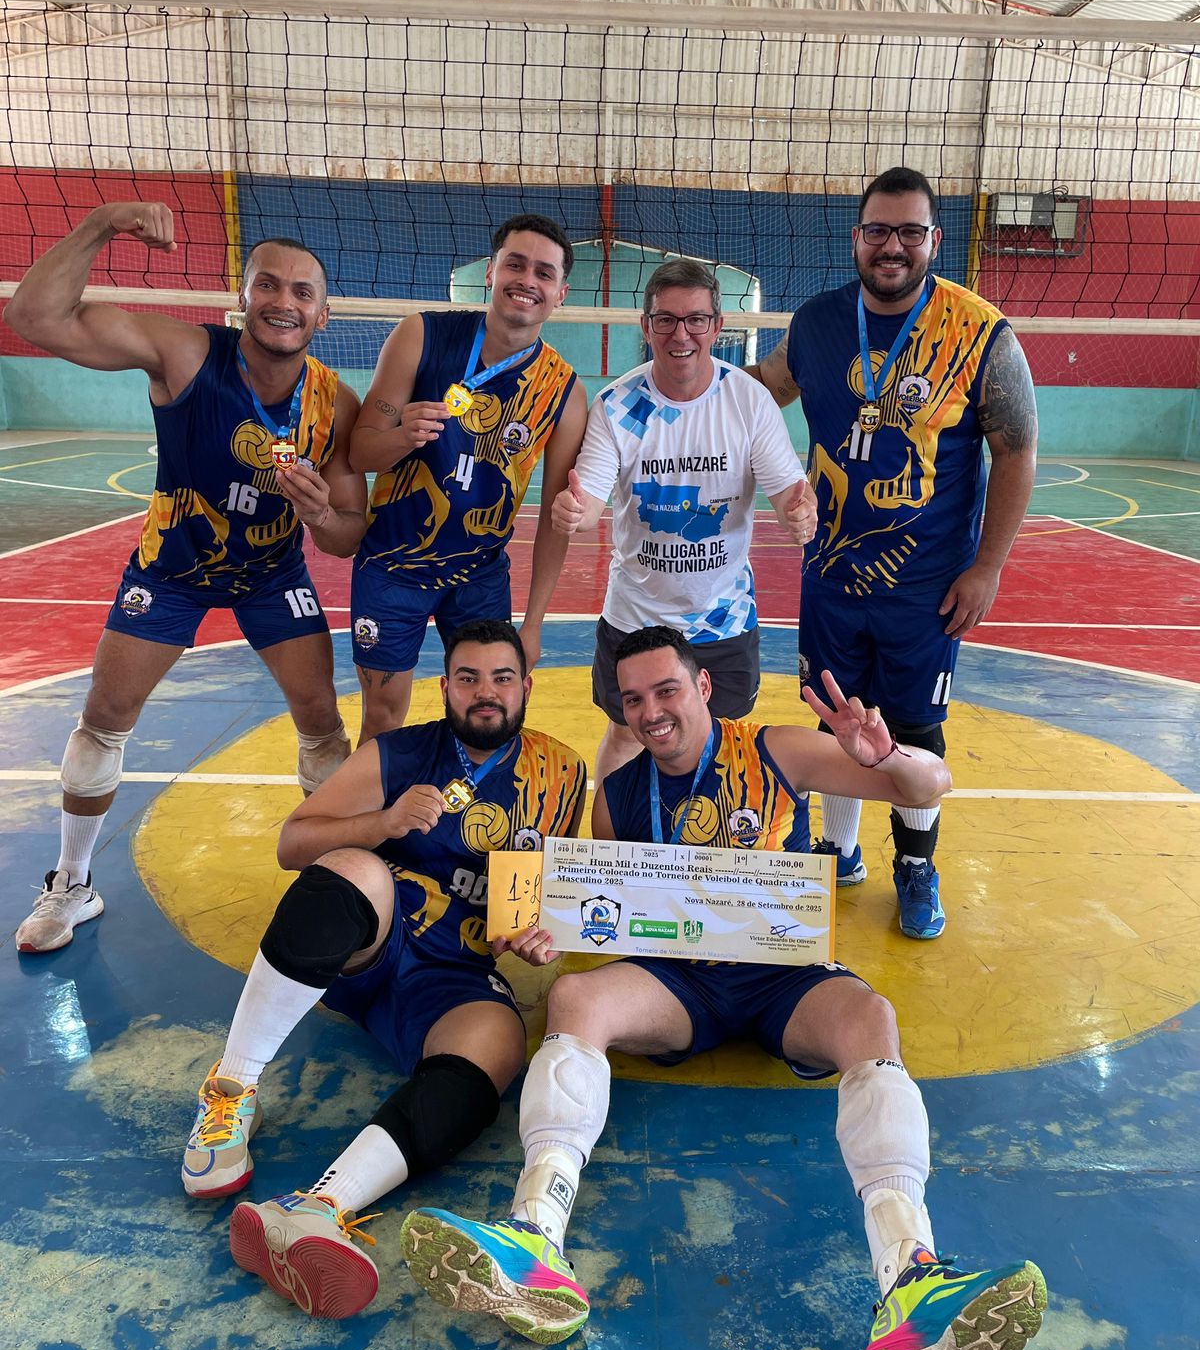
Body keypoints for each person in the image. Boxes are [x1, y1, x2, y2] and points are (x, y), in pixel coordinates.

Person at [398, 626, 1047, 1350]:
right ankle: (535, 1235)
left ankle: (912, 1279)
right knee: (574, 999)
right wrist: (550, 935)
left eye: (666, 690)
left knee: (871, 1018)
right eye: (633, 699)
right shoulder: (619, 795)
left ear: (703, 686)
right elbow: (608, 912)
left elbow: (929, 788)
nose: (650, 711)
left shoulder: (778, 750)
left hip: (783, 975)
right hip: (682, 983)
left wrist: (886, 758)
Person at [180, 619, 587, 1320]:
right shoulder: (399, 753)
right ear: (445, 687)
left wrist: (536, 932)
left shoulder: (562, 773)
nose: (485, 693)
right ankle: (231, 1090)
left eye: (501, 678)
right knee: (354, 867)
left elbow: (555, 885)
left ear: (525, 686)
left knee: (498, 1046)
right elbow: (293, 843)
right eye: (468, 678)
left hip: (454, 973)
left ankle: (318, 1209)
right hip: (374, 943)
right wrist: (384, 823)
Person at [7, 204, 365, 955]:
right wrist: (103, 223)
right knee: (105, 714)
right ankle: (73, 881)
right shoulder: (186, 353)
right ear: (243, 296)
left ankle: (332, 879)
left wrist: (321, 512)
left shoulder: (337, 404)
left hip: (272, 573)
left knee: (321, 720)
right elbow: (35, 319)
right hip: (172, 570)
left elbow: (346, 536)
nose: (283, 302)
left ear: (323, 314)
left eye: (302, 292)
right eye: (268, 285)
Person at [747, 166, 1038, 939]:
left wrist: (987, 567)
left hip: (927, 584)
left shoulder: (980, 333)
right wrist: (675, 383)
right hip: (830, 572)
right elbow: (761, 387)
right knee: (834, 715)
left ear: (934, 240)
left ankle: (914, 864)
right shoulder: (817, 322)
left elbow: (1016, 451)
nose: (893, 246)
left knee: (912, 727)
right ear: (857, 237)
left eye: (910, 231)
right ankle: (839, 851)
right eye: (878, 230)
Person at [551, 258, 816, 787]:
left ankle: (713, 833)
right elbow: (591, 501)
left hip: (722, 616)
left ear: (717, 327)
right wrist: (575, 513)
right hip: (636, 617)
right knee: (627, 735)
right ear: (646, 326)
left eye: (696, 319)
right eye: (666, 319)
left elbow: (789, 491)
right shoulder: (618, 405)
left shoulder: (748, 400)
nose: (681, 334)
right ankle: (615, 835)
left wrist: (799, 512)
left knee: (725, 740)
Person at [347, 215, 588, 741]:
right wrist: (402, 436)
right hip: (392, 567)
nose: (527, 280)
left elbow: (556, 519)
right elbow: (360, 452)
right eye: (515, 264)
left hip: (478, 578)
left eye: (544, 273)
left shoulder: (565, 392)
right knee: (382, 720)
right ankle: (375, 800)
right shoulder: (421, 334)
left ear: (561, 293)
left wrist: (533, 624)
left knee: (488, 717)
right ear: (491, 272)